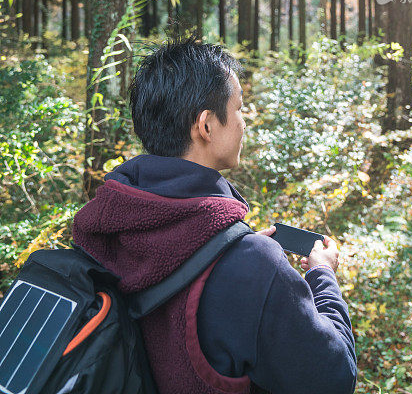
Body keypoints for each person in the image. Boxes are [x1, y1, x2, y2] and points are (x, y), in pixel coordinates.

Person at [73, 38, 357, 394]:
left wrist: (240, 256)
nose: (243, 121)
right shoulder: (253, 265)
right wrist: (321, 274)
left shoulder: (104, 226)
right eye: (239, 108)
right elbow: (334, 379)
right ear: (206, 126)